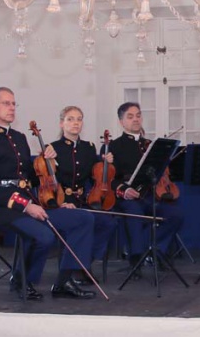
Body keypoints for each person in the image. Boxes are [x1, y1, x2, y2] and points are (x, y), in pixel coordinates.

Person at [0, 87, 96, 300]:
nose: (11, 108)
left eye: (13, 103)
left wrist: (47, 163)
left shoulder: (19, 138)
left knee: (83, 218)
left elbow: (32, 178)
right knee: (43, 235)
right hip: (1, 209)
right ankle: (21, 281)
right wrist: (26, 206)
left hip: (29, 203)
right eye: (6, 103)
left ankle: (64, 281)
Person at [108, 102, 186, 272]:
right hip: (128, 197)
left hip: (151, 194)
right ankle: (136, 258)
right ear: (121, 121)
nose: (136, 119)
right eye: (130, 116)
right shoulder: (113, 146)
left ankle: (154, 250)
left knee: (176, 214)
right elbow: (108, 179)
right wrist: (124, 190)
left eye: (138, 115)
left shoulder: (151, 144)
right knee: (134, 212)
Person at [47, 105, 118, 281]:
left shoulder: (89, 147)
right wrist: (61, 202)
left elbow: (96, 175)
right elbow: (47, 182)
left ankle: (83, 262)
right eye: (70, 119)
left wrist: (105, 162)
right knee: (81, 222)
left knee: (107, 222)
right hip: (62, 200)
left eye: (79, 119)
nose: (75, 123)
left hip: (83, 199)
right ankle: (76, 269)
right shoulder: (53, 148)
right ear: (61, 123)